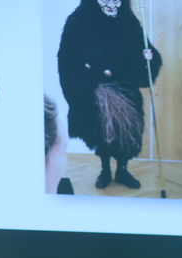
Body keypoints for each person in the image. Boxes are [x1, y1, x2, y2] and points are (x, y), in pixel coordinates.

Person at [57, 0, 162, 190]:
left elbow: (143, 47)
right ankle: (105, 170)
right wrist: (82, 86)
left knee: (127, 132)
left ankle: (122, 170)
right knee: (101, 132)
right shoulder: (77, 21)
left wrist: (149, 57)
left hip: (126, 87)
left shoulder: (129, 20)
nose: (112, 3)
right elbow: (67, 59)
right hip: (95, 88)